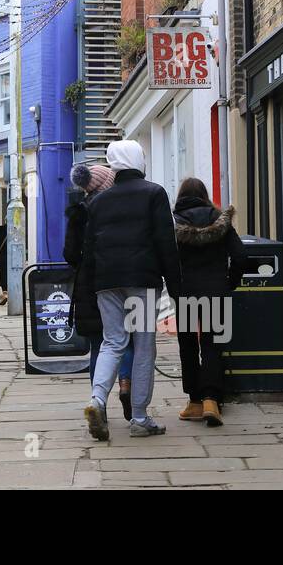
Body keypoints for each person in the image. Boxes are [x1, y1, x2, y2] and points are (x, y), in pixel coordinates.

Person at [81, 139, 180, 441]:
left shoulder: (97, 201)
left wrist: (88, 289)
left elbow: (89, 249)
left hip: (106, 281)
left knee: (112, 342)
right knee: (143, 345)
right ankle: (139, 417)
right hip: (141, 280)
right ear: (138, 160)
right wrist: (177, 286)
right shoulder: (154, 193)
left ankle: (97, 401)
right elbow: (166, 242)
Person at [173, 177, 246, 427]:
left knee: (188, 345)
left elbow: (167, 260)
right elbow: (240, 255)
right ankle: (211, 400)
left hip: (185, 292)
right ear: (204, 195)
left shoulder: (172, 223)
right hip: (216, 290)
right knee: (213, 344)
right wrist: (230, 282)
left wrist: (174, 287)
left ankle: (194, 401)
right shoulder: (220, 221)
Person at [64, 163, 134, 418]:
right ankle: (125, 383)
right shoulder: (118, 209)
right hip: (119, 279)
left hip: (88, 283)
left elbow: (69, 253)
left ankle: (99, 403)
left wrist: (82, 264)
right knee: (125, 338)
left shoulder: (78, 213)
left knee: (98, 344)